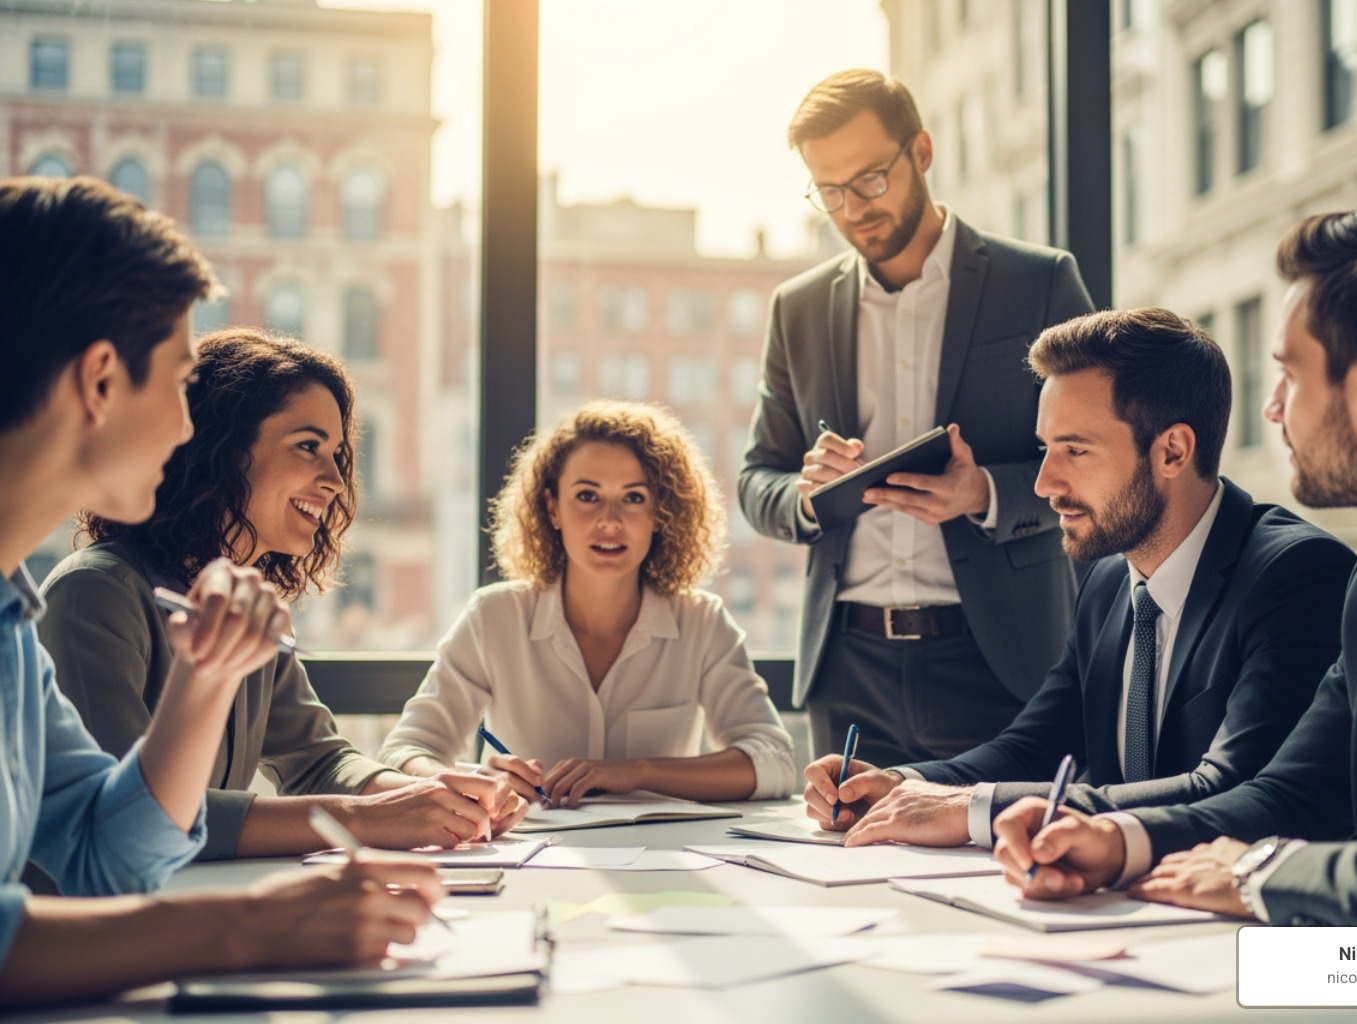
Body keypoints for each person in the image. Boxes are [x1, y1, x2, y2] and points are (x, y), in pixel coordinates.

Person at [993, 193, 1357, 933]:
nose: (1273, 408)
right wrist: (1121, 841)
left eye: (1290, 375)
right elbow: (1292, 794)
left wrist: (1265, 874)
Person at [0, 176, 441, 1009]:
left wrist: (204, 684)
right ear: (100, 380)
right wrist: (254, 927)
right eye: (174, 383)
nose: (182, 426)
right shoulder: (85, 593)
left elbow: (105, 857)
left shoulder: (11, 622)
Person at [802, 308, 1356, 848]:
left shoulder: (1296, 576)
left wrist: (975, 810)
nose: (1044, 483)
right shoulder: (1109, 582)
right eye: (1046, 448)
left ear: (1173, 450)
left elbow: (1235, 789)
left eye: (1075, 449)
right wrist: (903, 785)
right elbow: (1035, 745)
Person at [36, 328, 524, 864]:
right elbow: (134, 819)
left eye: (338, 455)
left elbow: (317, 760)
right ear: (218, 448)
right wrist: (368, 819)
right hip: (96, 933)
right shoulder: (95, 595)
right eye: (308, 447)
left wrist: (432, 798)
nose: (336, 481)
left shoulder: (247, 600)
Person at [738, 69, 1096, 765]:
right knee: (848, 867)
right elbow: (758, 478)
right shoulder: (798, 309)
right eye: (830, 192)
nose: (853, 209)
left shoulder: (1040, 282)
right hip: (849, 668)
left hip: (1002, 659)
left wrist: (984, 493)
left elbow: (1104, 454)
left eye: (870, 179)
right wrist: (807, 498)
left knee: (1003, 863)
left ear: (922, 153)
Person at [380, 399, 795, 806]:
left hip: (663, 861)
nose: (610, 520)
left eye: (633, 497)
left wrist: (638, 771)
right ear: (552, 507)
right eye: (587, 496)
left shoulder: (703, 622)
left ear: (659, 512)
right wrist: (478, 778)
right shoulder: (494, 617)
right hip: (531, 859)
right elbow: (404, 754)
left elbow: (773, 762)